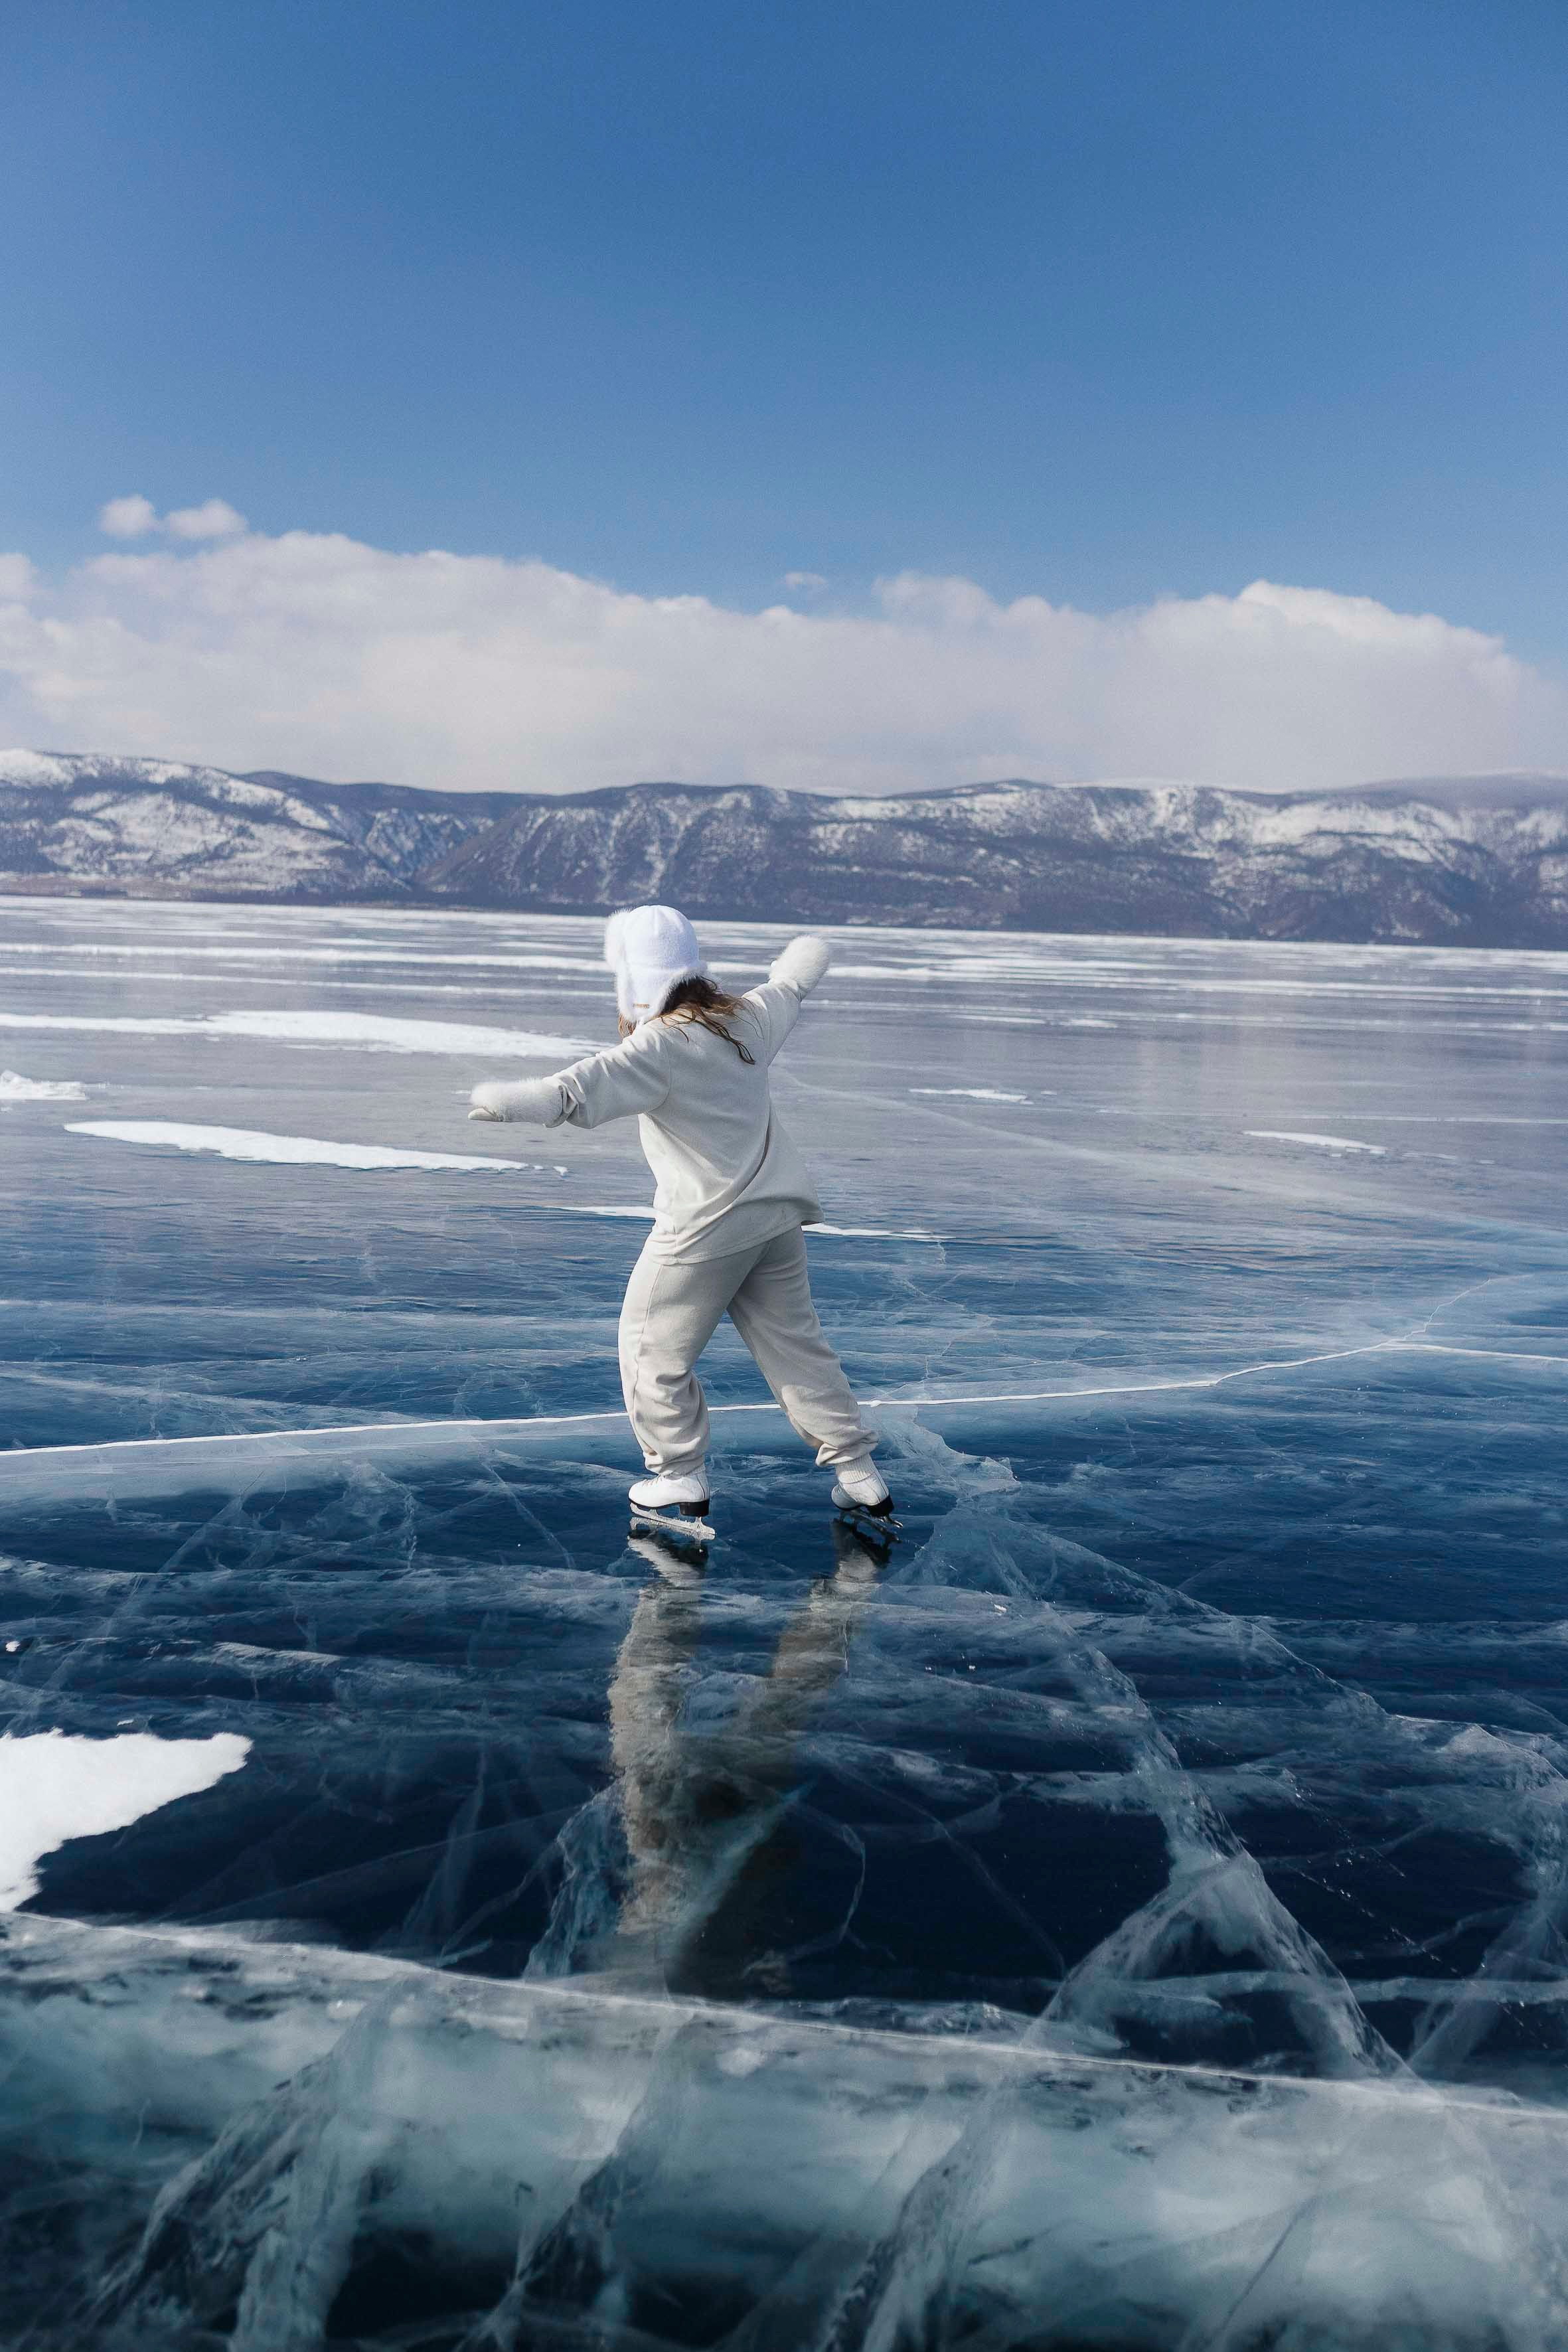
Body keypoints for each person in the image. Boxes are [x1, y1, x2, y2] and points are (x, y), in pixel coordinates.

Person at [467, 903, 892, 1527]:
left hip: (706, 1227)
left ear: (637, 980)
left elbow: (578, 1089)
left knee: (648, 1348)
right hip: (775, 1218)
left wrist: (505, 1103)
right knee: (797, 1348)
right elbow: (789, 987)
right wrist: (804, 960)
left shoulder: (659, 1045)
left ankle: (678, 1476)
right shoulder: (746, 1019)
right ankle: (858, 1472)